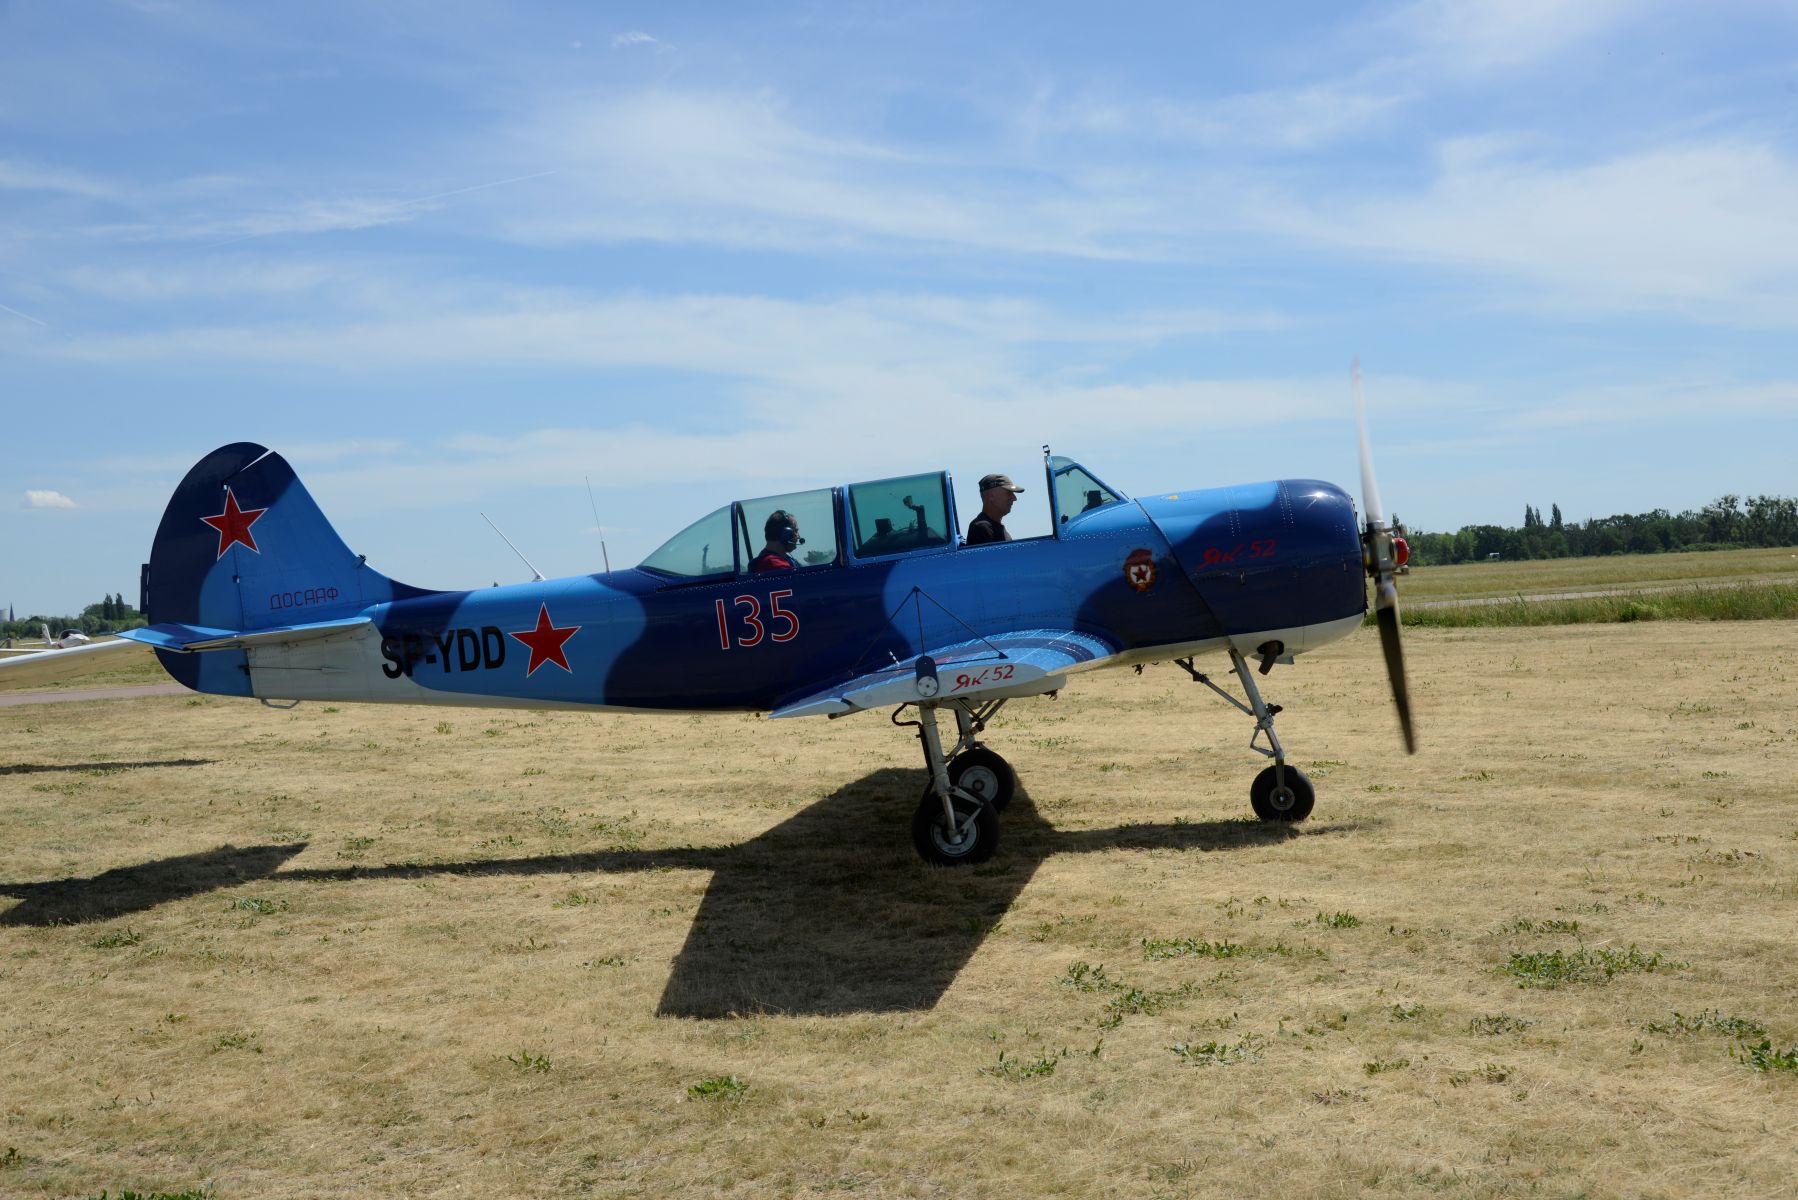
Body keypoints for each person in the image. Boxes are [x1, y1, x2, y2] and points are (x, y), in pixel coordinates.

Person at [965, 473, 1024, 545]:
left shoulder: (995, 528)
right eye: (1009, 493)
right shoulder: (981, 528)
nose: (1014, 498)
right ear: (991, 496)